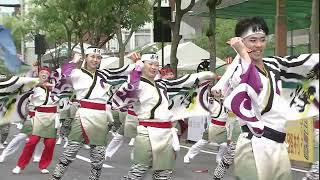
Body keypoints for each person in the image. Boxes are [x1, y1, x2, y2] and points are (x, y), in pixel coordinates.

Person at [215, 16, 319, 180]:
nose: (258, 45)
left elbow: (304, 63)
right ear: (242, 42)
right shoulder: (237, 73)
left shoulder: (274, 64)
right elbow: (254, 84)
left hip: (278, 146)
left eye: (262, 40)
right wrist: (242, 53)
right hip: (253, 146)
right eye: (252, 40)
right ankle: (218, 173)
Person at [112, 53, 215, 180]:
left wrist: (201, 76)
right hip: (147, 133)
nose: (154, 67)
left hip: (166, 134)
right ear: (142, 65)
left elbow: (181, 82)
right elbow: (119, 100)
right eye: (150, 64)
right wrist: (136, 69)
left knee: (163, 174)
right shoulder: (137, 83)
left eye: (156, 65)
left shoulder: (161, 84)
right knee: (138, 171)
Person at [51, 47, 135, 180]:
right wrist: (73, 61)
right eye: (92, 56)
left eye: (98, 57)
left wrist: (138, 62)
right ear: (86, 57)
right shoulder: (77, 73)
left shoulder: (105, 74)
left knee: (98, 153)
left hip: (100, 115)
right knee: (71, 149)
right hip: (83, 113)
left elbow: (125, 72)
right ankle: (55, 177)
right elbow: (60, 76)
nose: (95, 60)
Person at [12, 66, 59, 174]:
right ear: (38, 74)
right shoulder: (33, 86)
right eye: (41, 72)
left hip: (52, 116)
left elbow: (64, 79)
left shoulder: (55, 86)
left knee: (50, 144)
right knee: (32, 142)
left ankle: (43, 165)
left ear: (49, 75)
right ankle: (20, 165)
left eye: (46, 73)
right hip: (39, 116)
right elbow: (22, 84)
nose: (43, 74)